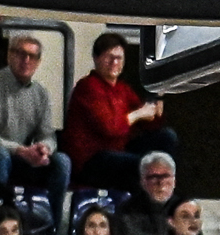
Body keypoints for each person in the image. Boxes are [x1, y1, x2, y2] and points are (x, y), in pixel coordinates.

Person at [0, 33, 69, 208]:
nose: (26, 60)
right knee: (0, 155)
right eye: (21, 54)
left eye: (32, 56)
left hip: (21, 158)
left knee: (62, 162)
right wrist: (19, 150)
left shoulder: (41, 93)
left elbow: (48, 135)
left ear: (38, 62)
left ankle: (52, 221)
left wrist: (44, 149)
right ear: (9, 56)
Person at [64, 32, 176, 192]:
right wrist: (138, 114)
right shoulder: (88, 87)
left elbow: (151, 124)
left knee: (166, 137)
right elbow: (111, 128)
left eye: (119, 58)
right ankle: (144, 200)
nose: (114, 62)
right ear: (96, 59)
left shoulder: (122, 88)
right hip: (91, 160)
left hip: (118, 151)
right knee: (142, 165)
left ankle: (165, 191)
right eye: (109, 57)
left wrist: (158, 98)